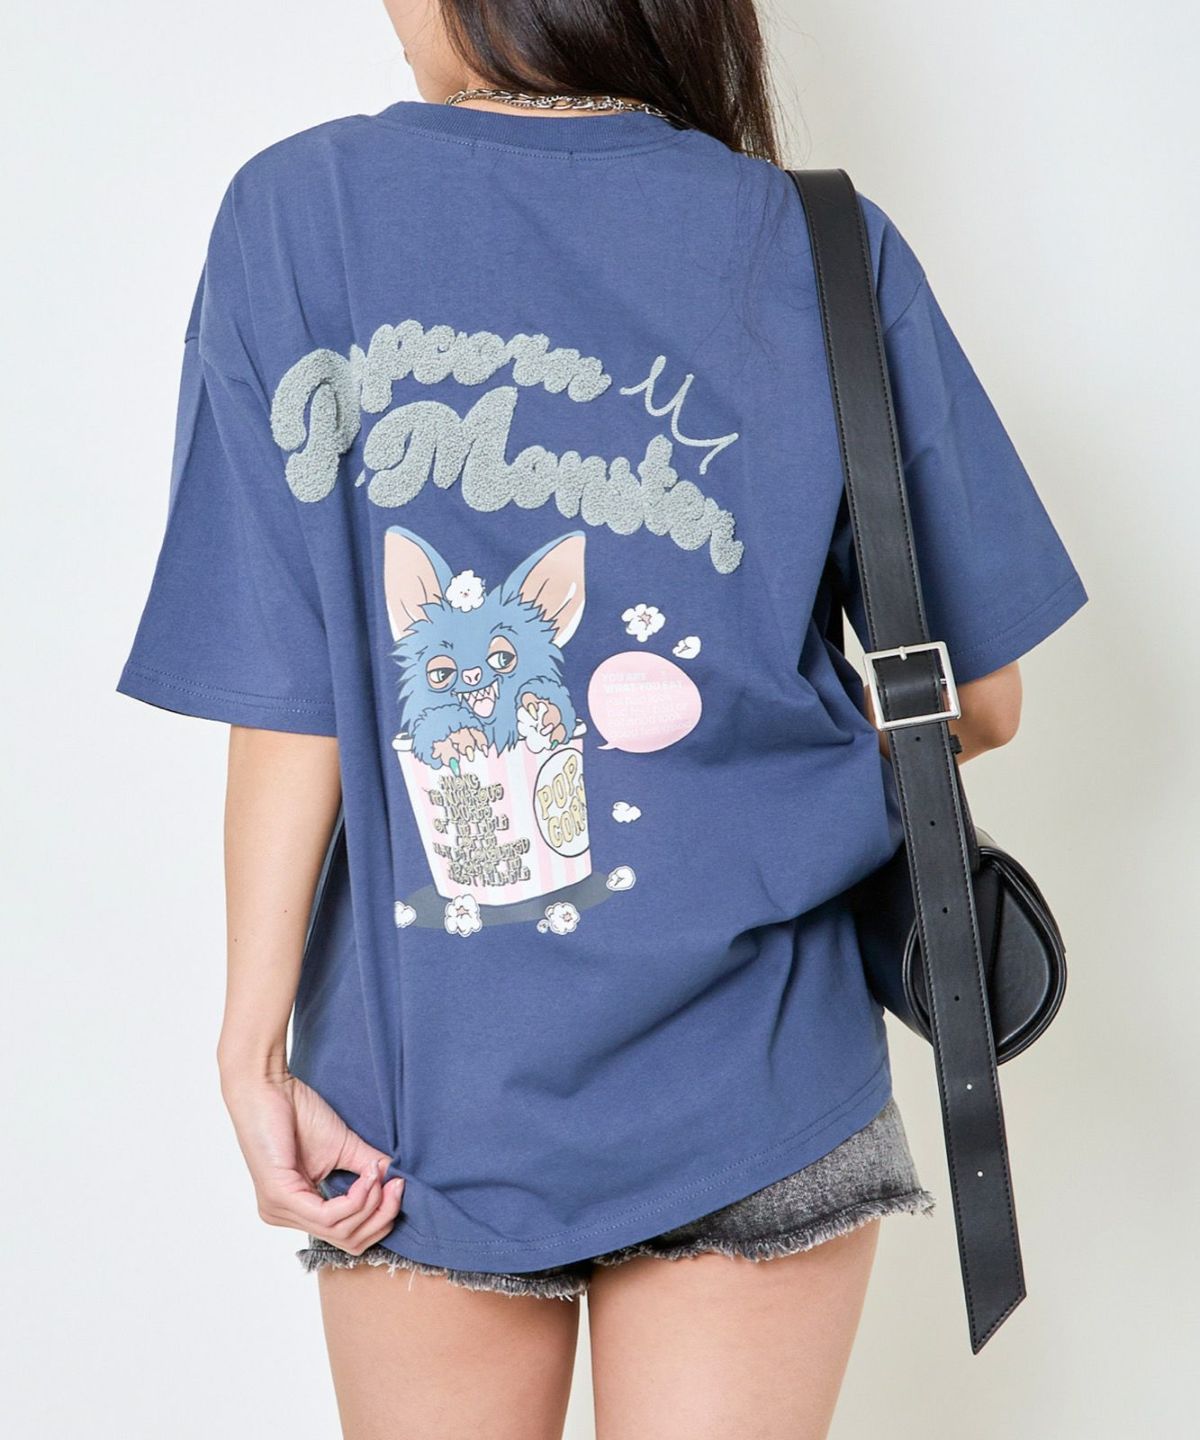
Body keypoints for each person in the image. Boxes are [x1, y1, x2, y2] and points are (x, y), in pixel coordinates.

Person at [114, 1, 1089, 1435]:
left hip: (419, 1101)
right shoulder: (820, 242)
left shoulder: (296, 214)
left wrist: (251, 1051)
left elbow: (295, 697)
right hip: (761, 1069)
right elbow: (980, 700)